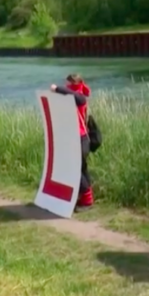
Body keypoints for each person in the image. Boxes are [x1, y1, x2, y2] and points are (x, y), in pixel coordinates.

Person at [51, 74, 94, 210]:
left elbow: (71, 94)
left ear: (73, 83)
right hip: (78, 138)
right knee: (82, 168)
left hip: (80, 139)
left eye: (68, 83)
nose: (66, 85)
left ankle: (87, 200)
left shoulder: (79, 97)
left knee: (75, 169)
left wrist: (57, 88)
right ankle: (86, 197)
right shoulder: (75, 95)